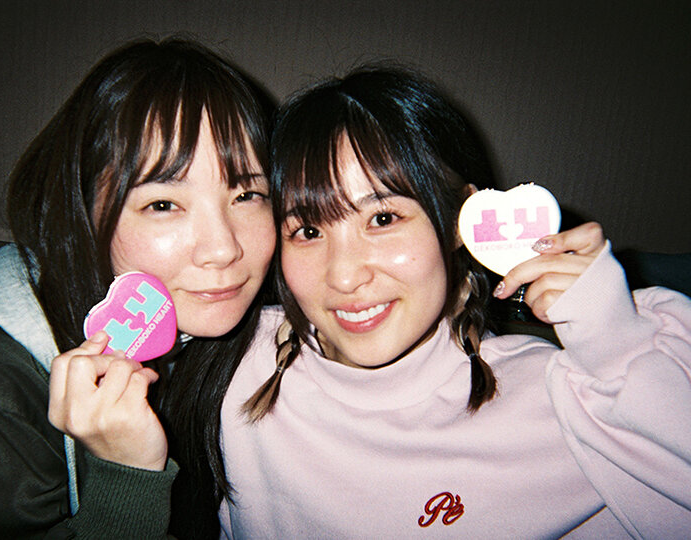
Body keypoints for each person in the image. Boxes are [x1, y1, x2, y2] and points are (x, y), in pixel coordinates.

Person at [215, 67, 691, 538]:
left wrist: (618, 344)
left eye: (383, 218)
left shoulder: (558, 398)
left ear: (461, 221)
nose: (343, 275)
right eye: (308, 230)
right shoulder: (238, 360)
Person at [0, 37, 275, 538]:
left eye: (247, 194)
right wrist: (125, 479)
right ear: (81, 209)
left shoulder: (195, 329)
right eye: (163, 204)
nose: (223, 249)